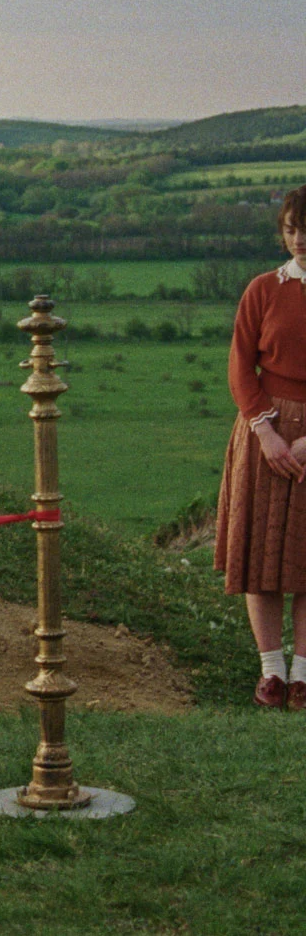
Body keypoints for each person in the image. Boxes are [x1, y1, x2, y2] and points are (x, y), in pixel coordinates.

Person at [216, 183, 306, 709]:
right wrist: (266, 431)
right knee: (261, 560)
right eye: (292, 229)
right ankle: (271, 672)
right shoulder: (262, 289)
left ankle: (304, 676)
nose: (300, 239)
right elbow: (239, 363)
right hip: (262, 435)